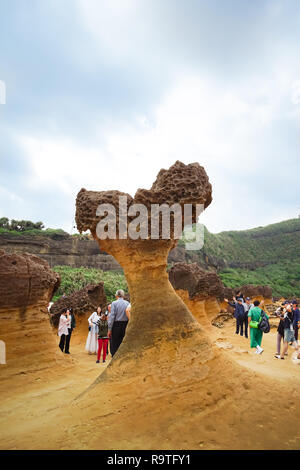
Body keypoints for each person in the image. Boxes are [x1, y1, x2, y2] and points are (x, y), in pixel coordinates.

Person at [108, 289, 129, 357]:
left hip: (116, 325)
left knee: (114, 341)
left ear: (116, 295)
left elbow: (112, 316)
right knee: (122, 340)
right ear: (123, 295)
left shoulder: (114, 303)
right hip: (125, 324)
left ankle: (114, 356)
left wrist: (109, 329)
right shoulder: (127, 303)